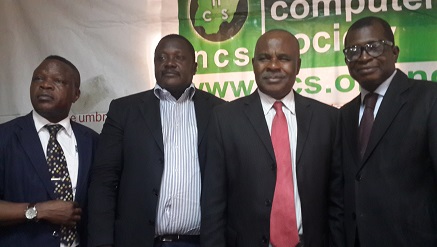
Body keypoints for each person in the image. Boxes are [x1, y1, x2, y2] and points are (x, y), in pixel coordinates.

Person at [201, 29, 344, 247]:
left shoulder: (328, 119)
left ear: (298, 65)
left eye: (284, 58)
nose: (273, 66)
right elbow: (213, 204)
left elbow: (337, 201)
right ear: (253, 64)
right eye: (264, 58)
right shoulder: (225, 119)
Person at [87, 34, 225, 247]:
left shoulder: (220, 111)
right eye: (161, 58)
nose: (169, 63)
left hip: (202, 242)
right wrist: (101, 242)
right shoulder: (124, 110)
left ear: (195, 67)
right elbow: (104, 180)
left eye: (179, 57)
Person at [340, 16, 437, 246]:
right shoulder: (345, 114)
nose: (363, 57)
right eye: (353, 51)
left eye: (374, 47)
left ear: (394, 52)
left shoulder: (429, 99)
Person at [0, 55, 99, 247]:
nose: (45, 85)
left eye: (58, 81)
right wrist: (37, 210)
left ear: (76, 94)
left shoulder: (93, 142)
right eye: (38, 78)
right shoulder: (4, 137)